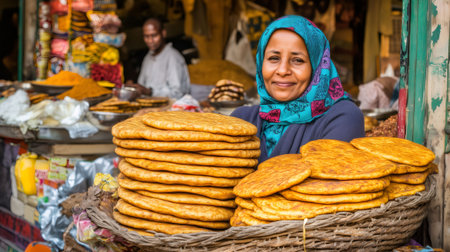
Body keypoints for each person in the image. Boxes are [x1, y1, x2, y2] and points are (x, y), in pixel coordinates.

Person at [231, 15, 364, 163]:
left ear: (317, 66)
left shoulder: (342, 117)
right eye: (274, 58)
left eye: (298, 60)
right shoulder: (241, 120)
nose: (282, 70)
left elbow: (327, 183)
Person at [127, 18, 190, 99]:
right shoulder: (148, 58)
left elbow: (178, 93)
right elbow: (141, 86)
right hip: (150, 107)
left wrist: (150, 92)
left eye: (154, 35)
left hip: (172, 109)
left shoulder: (173, 58)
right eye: (146, 36)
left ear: (163, 33)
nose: (150, 40)